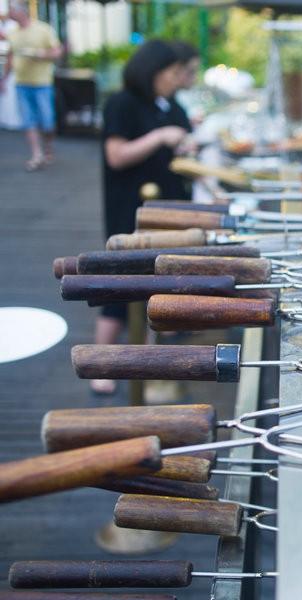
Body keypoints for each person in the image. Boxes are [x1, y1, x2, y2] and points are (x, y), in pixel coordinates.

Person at [91, 39, 191, 394]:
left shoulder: (170, 105)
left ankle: (143, 363)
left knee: (157, 285)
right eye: (172, 72)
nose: (176, 79)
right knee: (118, 286)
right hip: (129, 209)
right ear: (153, 71)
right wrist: (160, 137)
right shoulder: (122, 103)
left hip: (169, 210)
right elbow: (116, 155)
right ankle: (101, 366)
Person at [1, 0, 62, 171]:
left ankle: (48, 147)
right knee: (29, 121)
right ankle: (37, 154)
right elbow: (10, 58)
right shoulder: (13, 33)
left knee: (47, 121)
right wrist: (4, 79)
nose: (9, 12)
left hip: (42, 83)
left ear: (22, 11)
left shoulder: (43, 29)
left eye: (11, 9)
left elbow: (57, 51)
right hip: (22, 83)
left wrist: (41, 54)